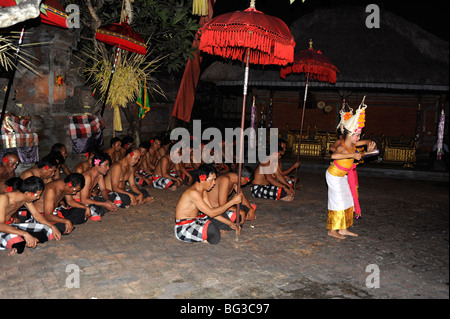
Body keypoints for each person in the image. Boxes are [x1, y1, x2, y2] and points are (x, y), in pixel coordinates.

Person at [326, 98, 376, 239]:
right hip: (333, 175)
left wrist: (369, 144)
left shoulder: (352, 144)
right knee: (338, 201)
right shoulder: (343, 146)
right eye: (357, 135)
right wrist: (353, 154)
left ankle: (343, 228)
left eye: (359, 135)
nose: (359, 137)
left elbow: (365, 142)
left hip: (342, 176)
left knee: (348, 200)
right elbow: (333, 156)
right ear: (349, 134)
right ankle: (332, 229)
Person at [174, 164, 243, 244]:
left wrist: (230, 223)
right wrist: (232, 202)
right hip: (184, 228)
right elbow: (211, 213)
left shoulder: (203, 191)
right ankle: (209, 232)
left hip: (197, 220)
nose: (214, 183)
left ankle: (211, 230)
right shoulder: (193, 193)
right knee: (214, 235)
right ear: (202, 178)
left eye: (215, 180)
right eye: (211, 180)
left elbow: (212, 212)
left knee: (235, 217)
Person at [0, 176, 62, 256]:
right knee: (14, 237)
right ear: (27, 193)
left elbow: (37, 215)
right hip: (2, 228)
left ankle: (20, 243)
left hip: (10, 226)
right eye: (37, 195)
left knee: (48, 229)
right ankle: (19, 242)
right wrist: (25, 234)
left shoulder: (26, 199)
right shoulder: (3, 198)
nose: (38, 198)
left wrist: (53, 227)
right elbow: (0, 225)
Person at [72, 151, 118, 221]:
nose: (108, 168)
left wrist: (108, 201)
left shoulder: (100, 175)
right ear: (97, 164)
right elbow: (83, 200)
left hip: (90, 199)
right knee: (97, 211)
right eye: (106, 165)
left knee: (114, 196)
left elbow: (103, 190)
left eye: (108, 165)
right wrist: (104, 204)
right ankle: (102, 209)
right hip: (79, 202)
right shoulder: (87, 177)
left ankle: (104, 207)